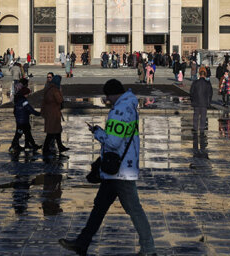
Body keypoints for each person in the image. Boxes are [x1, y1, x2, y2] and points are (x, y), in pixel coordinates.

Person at [59, 79, 156, 256]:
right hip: (118, 169)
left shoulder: (119, 110)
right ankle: (82, 243)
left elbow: (113, 142)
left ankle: (149, 249)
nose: (106, 99)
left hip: (120, 171)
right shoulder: (129, 106)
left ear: (113, 94)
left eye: (107, 96)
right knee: (99, 207)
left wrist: (97, 132)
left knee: (134, 210)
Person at [10, 80, 42, 154]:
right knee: (19, 134)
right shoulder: (24, 101)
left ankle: (31, 145)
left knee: (27, 133)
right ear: (25, 94)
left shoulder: (18, 99)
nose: (28, 95)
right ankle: (12, 147)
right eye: (27, 94)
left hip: (20, 119)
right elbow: (29, 109)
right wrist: (38, 114)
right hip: (23, 120)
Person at [41, 74, 68, 154]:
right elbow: (59, 100)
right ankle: (46, 148)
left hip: (49, 112)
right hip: (54, 112)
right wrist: (60, 92)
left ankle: (60, 146)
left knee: (56, 131)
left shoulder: (48, 88)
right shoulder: (55, 89)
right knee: (52, 132)